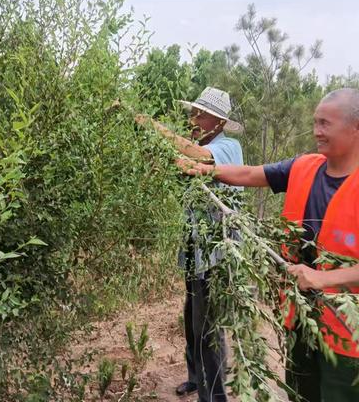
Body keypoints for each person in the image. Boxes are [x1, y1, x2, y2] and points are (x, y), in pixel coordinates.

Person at [176, 87, 359, 402]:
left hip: (348, 340)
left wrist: (323, 279)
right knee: (301, 393)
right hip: (301, 322)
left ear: (355, 128)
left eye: (325, 124)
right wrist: (205, 170)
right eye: (315, 122)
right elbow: (249, 173)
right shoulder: (305, 166)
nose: (316, 131)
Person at [137, 87, 244, 402]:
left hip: (216, 250)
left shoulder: (228, 146)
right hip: (195, 246)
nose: (193, 119)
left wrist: (152, 126)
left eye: (200, 114)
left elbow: (195, 157)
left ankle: (214, 395)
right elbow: (179, 166)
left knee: (207, 325)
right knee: (191, 315)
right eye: (193, 113)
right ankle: (196, 377)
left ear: (220, 122)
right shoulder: (198, 145)